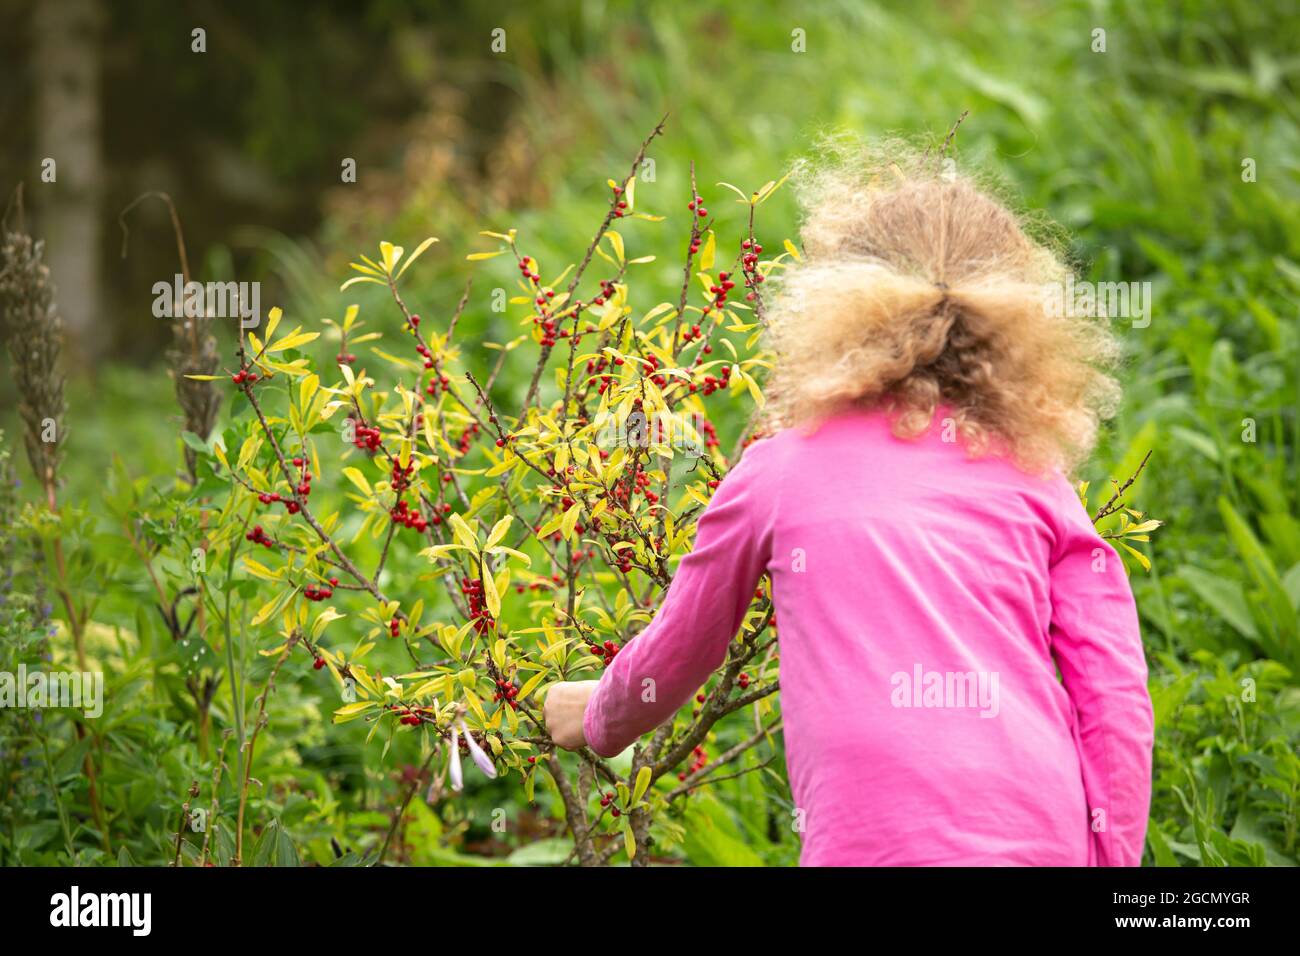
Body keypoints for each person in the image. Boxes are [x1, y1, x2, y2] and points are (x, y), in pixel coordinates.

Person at [544, 144, 1154, 866]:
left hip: (870, 845)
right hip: (1039, 836)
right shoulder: (1035, 477)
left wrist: (599, 717)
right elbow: (1114, 690)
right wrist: (1112, 857)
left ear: (835, 300)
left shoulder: (781, 469)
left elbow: (685, 644)